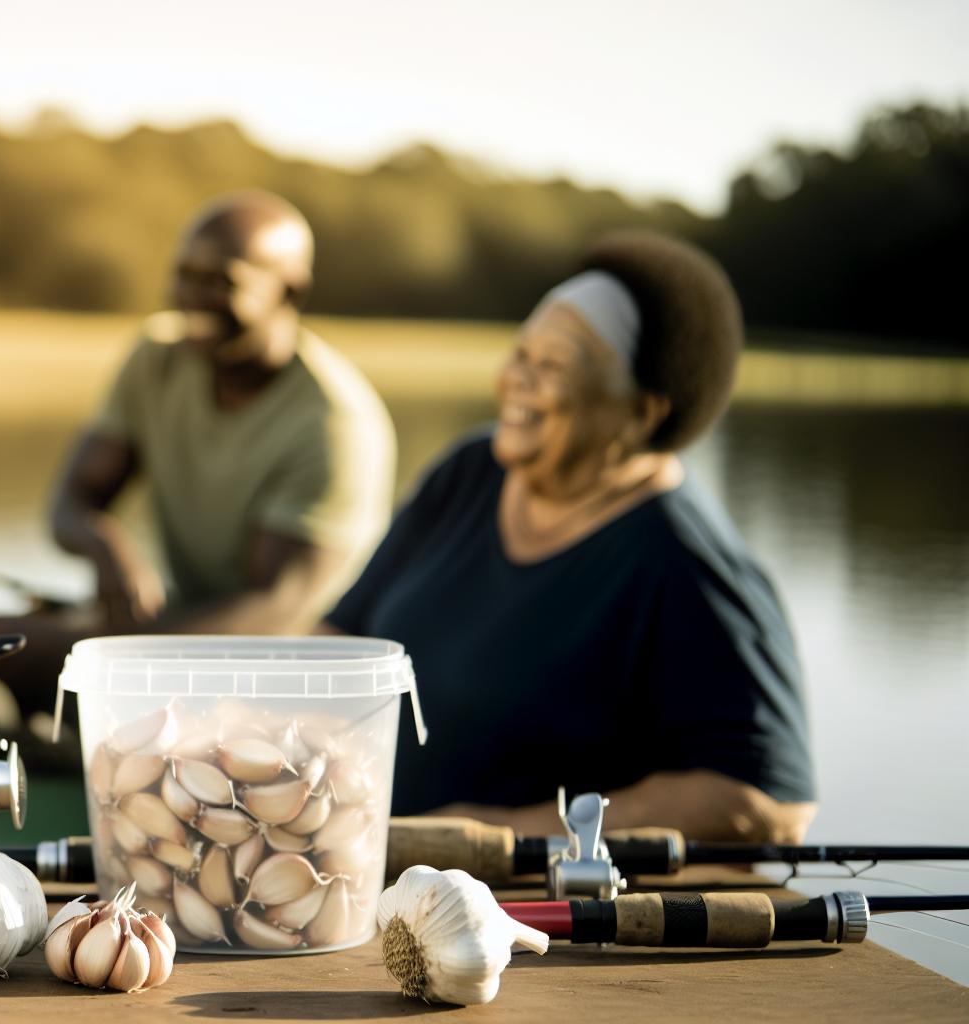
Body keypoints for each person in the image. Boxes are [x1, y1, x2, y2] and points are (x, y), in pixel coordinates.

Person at [322, 230, 816, 842]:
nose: (517, 380)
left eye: (553, 365)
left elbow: (767, 804)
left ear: (644, 411)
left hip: (513, 917)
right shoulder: (472, 471)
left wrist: (506, 833)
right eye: (522, 353)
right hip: (354, 864)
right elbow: (340, 640)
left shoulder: (684, 563)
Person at [0, 191, 394, 718]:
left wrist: (117, 651)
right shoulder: (157, 358)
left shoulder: (334, 421)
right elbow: (71, 501)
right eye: (184, 274)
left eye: (221, 282)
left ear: (291, 289)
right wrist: (106, 546)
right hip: (176, 640)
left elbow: (275, 615)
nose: (192, 298)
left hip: (287, 683)